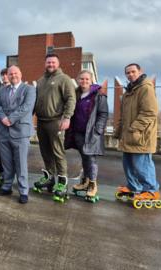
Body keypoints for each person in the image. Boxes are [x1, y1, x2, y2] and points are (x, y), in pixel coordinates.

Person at [114, 63, 161, 209]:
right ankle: (134, 187)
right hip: (128, 135)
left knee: (142, 165)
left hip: (140, 136)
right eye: (127, 73)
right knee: (128, 163)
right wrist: (119, 131)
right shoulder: (129, 92)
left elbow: (150, 112)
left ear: (140, 72)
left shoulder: (145, 88)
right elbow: (124, 115)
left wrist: (134, 129)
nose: (130, 75)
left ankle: (151, 190)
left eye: (133, 72)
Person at [33, 53, 76, 203]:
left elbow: (71, 98)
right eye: (48, 62)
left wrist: (67, 117)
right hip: (41, 122)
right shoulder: (40, 80)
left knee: (58, 152)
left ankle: (62, 182)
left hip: (56, 121)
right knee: (45, 152)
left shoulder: (64, 79)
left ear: (58, 63)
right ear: (45, 64)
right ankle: (49, 177)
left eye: (53, 62)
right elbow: (35, 101)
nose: (50, 64)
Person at [0, 65, 36, 204]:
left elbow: (26, 107)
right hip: (4, 131)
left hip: (20, 132)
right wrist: (3, 119)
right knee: (6, 163)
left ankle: (23, 191)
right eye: (10, 74)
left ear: (20, 74)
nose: (13, 76)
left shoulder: (29, 89)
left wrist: (10, 119)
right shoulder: (3, 90)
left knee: (21, 164)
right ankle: (7, 187)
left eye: (15, 73)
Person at [64, 70, 108, 203]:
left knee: (91, 159)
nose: (84, 81)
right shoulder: (76, 94)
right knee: (84, 158)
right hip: (78, 132)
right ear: (78, 80)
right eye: (81, 79)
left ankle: (93, 184)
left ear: (91, 80)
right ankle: (86, 181)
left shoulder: (98, 95)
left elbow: (103, 114)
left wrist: (98, 130)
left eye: (87, 79)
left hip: (91, 133)